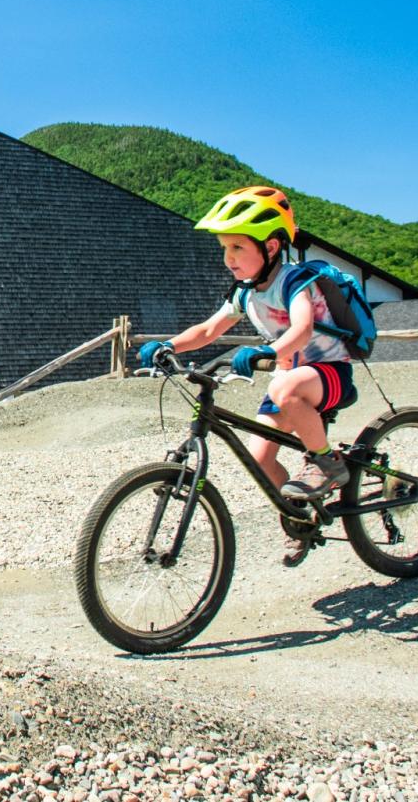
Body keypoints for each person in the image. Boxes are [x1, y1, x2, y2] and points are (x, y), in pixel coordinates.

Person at [136, 186, 355, 566]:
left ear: (270, 248)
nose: (229, 258)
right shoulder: (245, 294)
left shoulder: (293, 280)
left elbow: (302, 329)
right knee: (259, 458)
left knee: (285, 385)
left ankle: (327, 461)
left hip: (328, 373)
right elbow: (207, 331)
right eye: (225, 248)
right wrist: (167, 345)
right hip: (291, 382)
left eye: (238, 248)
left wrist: (269, 351)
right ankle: (299, 516)